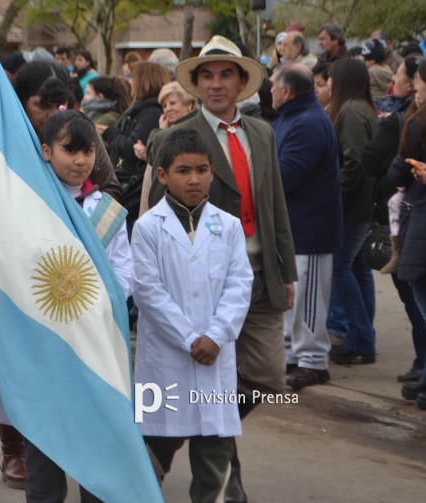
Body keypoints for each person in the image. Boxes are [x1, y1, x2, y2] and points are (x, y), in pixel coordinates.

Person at [146, 35, 297, 503]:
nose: (216, 84)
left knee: (269, 378)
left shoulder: (262, 133)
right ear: (194, 84)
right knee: (202, 375)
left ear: (241, 82)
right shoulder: (176, 136)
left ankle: (210, 434)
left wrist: (286, 270)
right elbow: (158, 213)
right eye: (207, 76)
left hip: (261, 274)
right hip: (202, 283)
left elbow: (275, 204)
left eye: (225, 74)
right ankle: (216, 457)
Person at [0, 61, 120, 491]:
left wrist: (78, 228)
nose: (53, 114)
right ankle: (16, 449)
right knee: (20, 365)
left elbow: (110, 191)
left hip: (77, 284)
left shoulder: (79, 135)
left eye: (61, 103)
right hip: (17, 276)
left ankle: (88, 458)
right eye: (41, 105)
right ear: (20, 104)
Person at [134, 128, 253, 503]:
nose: (194, 179)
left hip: (215, 354)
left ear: (212, 173)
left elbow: (239, 285)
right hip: (164, 359)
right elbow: (149, 292)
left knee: (214, 447)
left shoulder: (229, 227)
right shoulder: (148, 228)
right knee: (154, 444)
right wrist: (190, 338)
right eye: (183, 170)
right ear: (163, 175)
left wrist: (217, 336)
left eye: (202, 170)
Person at [22, 109, 133, 503]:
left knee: (95, 441)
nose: (81, 160)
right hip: (44, 344)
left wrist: (88, 306)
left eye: (88, 151)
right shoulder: (28, 203)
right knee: (44, 444)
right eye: (70, 150)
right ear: (46, 151)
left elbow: (124, 273)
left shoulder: (105, 209)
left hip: (94, 343)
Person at [270, 64, 342, 389]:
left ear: (287, 90)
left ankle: (313, 361)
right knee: (291, 300)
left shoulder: (308, 122)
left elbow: (287, 176)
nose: (269, 89)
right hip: (293, 227)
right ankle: (291, 355)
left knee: (307, 300)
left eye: (273, 84)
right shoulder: (291, 118)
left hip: (310, 228)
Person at [362, 56, 426, 384]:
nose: (402, 83)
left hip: (415, 220)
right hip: (417, 218)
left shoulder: (407, 123)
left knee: (420, 300)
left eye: (403, 77)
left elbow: (382, 166)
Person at [388, 56, 426, 416]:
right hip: (423, 224)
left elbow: (397, 173)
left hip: (425, 226)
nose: (413, 84)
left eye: (418, 79)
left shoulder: (420, 124)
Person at [324, 58, 378, 365]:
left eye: (331, 78)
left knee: (342, 268)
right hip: (361, 204)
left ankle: (361, 338)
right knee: (357, 268)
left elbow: (354, 161)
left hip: (353, 206)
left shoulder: (351, 110)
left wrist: (336, 196)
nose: (328, 83)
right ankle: (363, 337)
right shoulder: (360, 108)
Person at [101, 61, 169, 228]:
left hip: (133, 187)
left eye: (133, 77)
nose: (129, 82)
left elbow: (132, 146)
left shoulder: (150, 112)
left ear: (144, 81)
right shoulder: (139, 109)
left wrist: (110, 134)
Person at [139, 82, 199, 215]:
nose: (167, 109)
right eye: (164, 106)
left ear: (189, 104)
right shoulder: (168, 130)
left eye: (172, 103)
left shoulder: (192, 130)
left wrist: (159, 132)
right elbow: (152, 157)